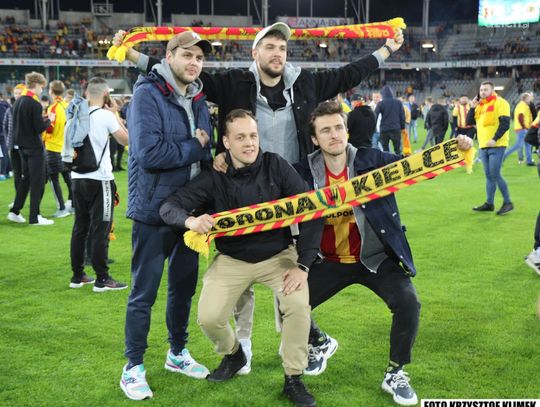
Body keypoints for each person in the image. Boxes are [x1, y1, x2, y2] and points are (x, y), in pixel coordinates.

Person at [116, 22, 403, 371]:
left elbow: (348, 74)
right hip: (241, 192)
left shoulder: (305, 83)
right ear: (255, 53)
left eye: (282, 48)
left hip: (288, 192)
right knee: (240, 270)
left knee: (291, 272)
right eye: (269, 47)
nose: (277, 54)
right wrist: (132, 55)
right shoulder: (235, 82)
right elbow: (184, 70)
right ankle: (245, 345)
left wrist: (386, 50)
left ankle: (308, 341)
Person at [294, 101, 473, 406]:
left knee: (408, 303)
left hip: (375, 257)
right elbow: (267, 193)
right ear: (314, 138)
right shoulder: (300, 172)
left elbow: (415, 165)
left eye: (338, 127)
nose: (334, 135)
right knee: (287, 301)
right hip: (329, 260)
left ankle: (396, 372)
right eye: (325, 130)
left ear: (347, 130)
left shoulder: (372, 159)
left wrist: (455, 148)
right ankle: (320, 342)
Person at [159, 109, 323, 407]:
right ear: (226, 142)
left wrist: (303, 265)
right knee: (209, 318)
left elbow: (312, 210)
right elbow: (169, 206)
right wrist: (191, 221)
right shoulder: (215, 176)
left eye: (253, 136)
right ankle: (234, 355)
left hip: (278, 255)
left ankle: (294, 377)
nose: (249, 143)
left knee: (298, 306)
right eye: (241, 137)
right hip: (232, 259)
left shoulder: (276, 165)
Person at [120, 31, 214, 401]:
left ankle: (177, 353)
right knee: (143, 293)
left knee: (183, 289)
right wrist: (196, 146)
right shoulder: (147, 93)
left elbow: (206, 151)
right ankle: (133, 367)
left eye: (200, 58)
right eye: (187, 55)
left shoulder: (199, 97)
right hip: (153, 212)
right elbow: (148, 153)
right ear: (169, 56)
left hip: (191, 213)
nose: (194, 63)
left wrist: (209, 156)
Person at [69, 77, 129, 291]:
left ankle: (78, 276)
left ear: (86, 93)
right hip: (100, 178)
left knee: (80, 228)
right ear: (105, 94)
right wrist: (115, 114)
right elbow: (126, 140)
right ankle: (102, 279)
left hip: (77, 177)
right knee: (100, 229)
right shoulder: (105, 115)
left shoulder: (75, 113)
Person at [7, 72, 53, 225]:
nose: (42, 90)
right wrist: (49, 120)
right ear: (38, 85)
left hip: (21, 146)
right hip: (34, 147)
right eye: (42, 87)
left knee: (25, 180)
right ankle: (35, 217)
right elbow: (39, 128)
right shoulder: (34, 103)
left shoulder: (18, 101)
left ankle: (15, 211)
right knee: (37, 182)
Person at [467, 81, 513, 215]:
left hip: (497, 145)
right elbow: (469, 122)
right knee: (489, 175)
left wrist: (494, 139)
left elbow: (505, 124)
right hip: (483, 145)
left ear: (492, 90)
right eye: (481, 90)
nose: (482, 92)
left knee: (495, 174)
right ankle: (489, 203)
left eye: (486, 90)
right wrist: (472, 107)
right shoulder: (480, 106)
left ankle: (508, 202)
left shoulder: (501, 103)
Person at [43, 80, 72, 218]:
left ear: (51, 91)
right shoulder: (67, 106)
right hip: (66, 147)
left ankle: (61, 208)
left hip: (53, 147)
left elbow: (50, 129)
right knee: (68, 177)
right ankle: (74, 205)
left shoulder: (53, 108)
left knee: (54, 178)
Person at [3, 84, 25, 202]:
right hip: (13, 147)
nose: (17, 95)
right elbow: (5, 126)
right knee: (17, 174)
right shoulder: (9, 110)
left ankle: (25, 197)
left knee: (26, 174)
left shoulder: (27, 109)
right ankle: (18, 199)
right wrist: (9, 141)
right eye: (16, 93)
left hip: (25, 147)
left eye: (19, 93)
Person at [504, 92, 534, 165]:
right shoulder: (522, 105)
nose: (530, 100)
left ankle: (529, 161)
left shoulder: (523, 105)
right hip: (522, 128)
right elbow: (520, 116)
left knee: (528, 144)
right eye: (529, 98)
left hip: (524, 128)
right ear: (525, 98)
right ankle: (504, 156)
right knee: (518, 145)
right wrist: (524, 127)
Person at [375, 85, 405, 154]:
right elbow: (402, 116)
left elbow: (375, 116)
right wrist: (402, 127)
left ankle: (388, 160)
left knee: (385, 150)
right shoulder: (398, 102)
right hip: (396, 128)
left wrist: (373, 128)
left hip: (384, 129)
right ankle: (398, 159)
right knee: (397, 149)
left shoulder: (381, 103)